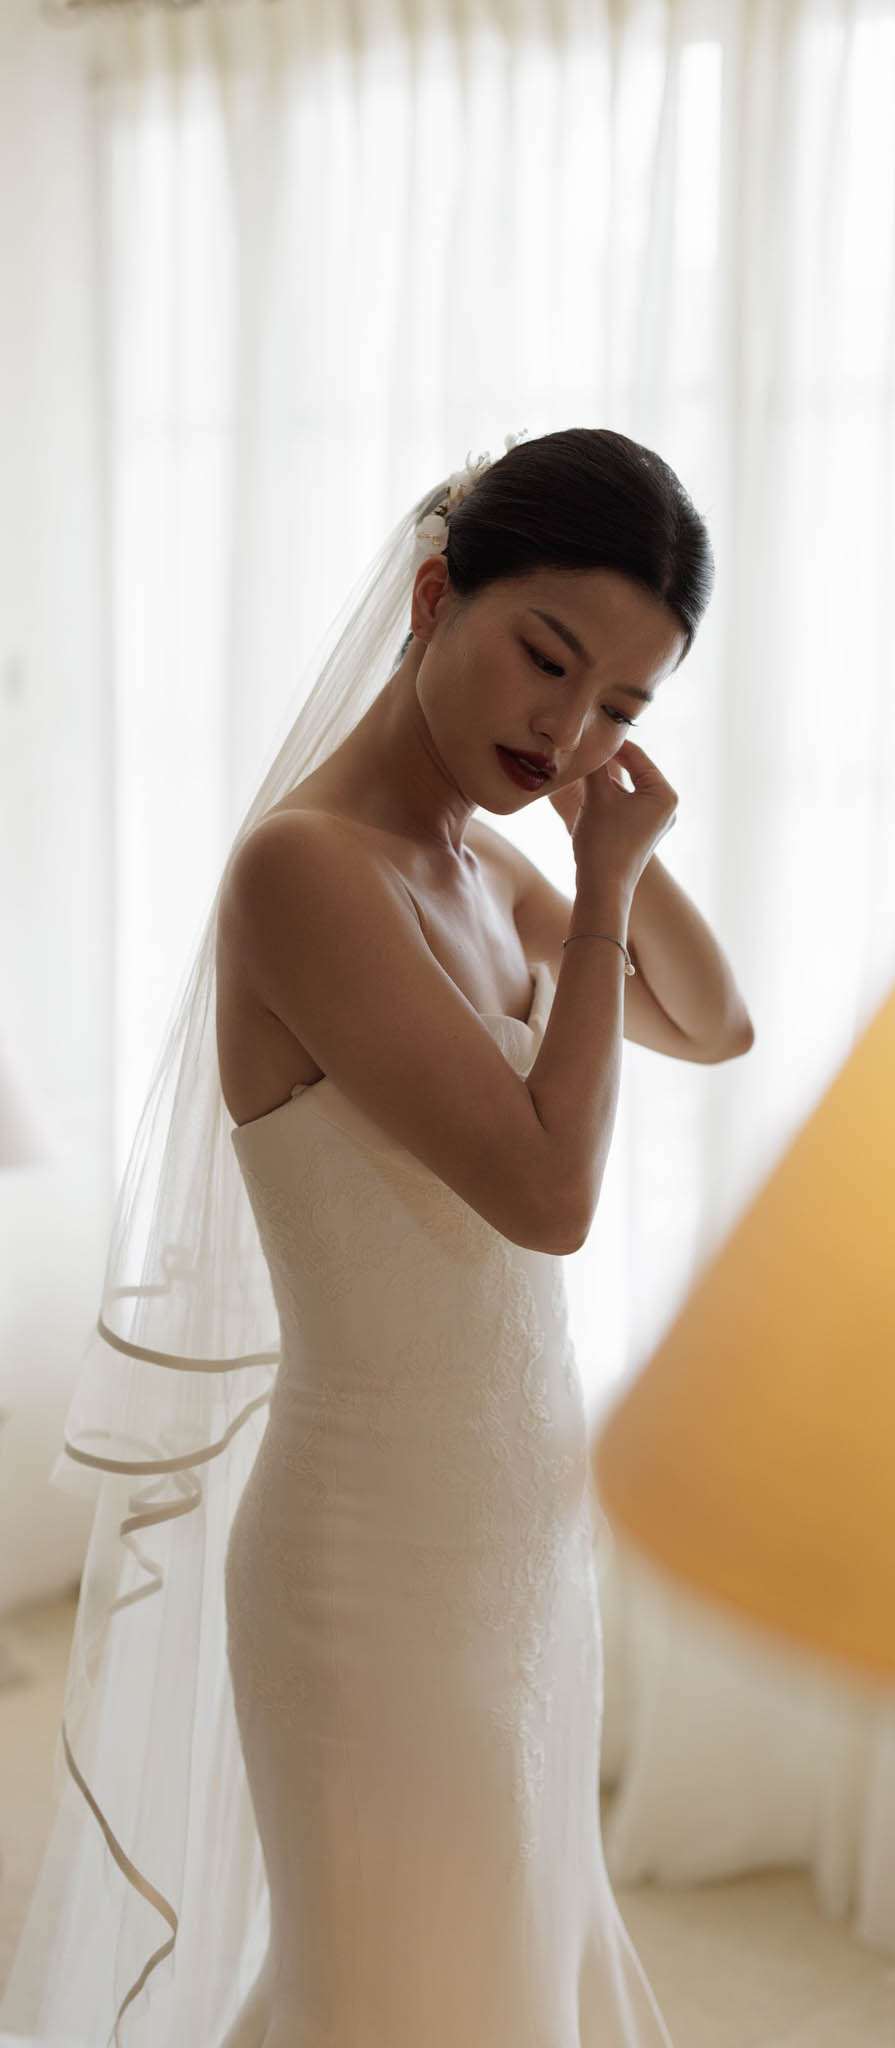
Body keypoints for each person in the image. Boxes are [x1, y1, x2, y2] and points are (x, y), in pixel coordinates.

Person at [1, 427, 731, 2047]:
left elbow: (715, 1020)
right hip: (373, 1560)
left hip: (521, 1537)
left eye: (621, 707)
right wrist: (600, 882)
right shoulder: (309, 873)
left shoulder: (474, 869)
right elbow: (547, 1199)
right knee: (394, 1988)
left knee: (511, 1960)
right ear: (430, 596)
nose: (568, 729)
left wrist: (592, 837)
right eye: (548, 658)